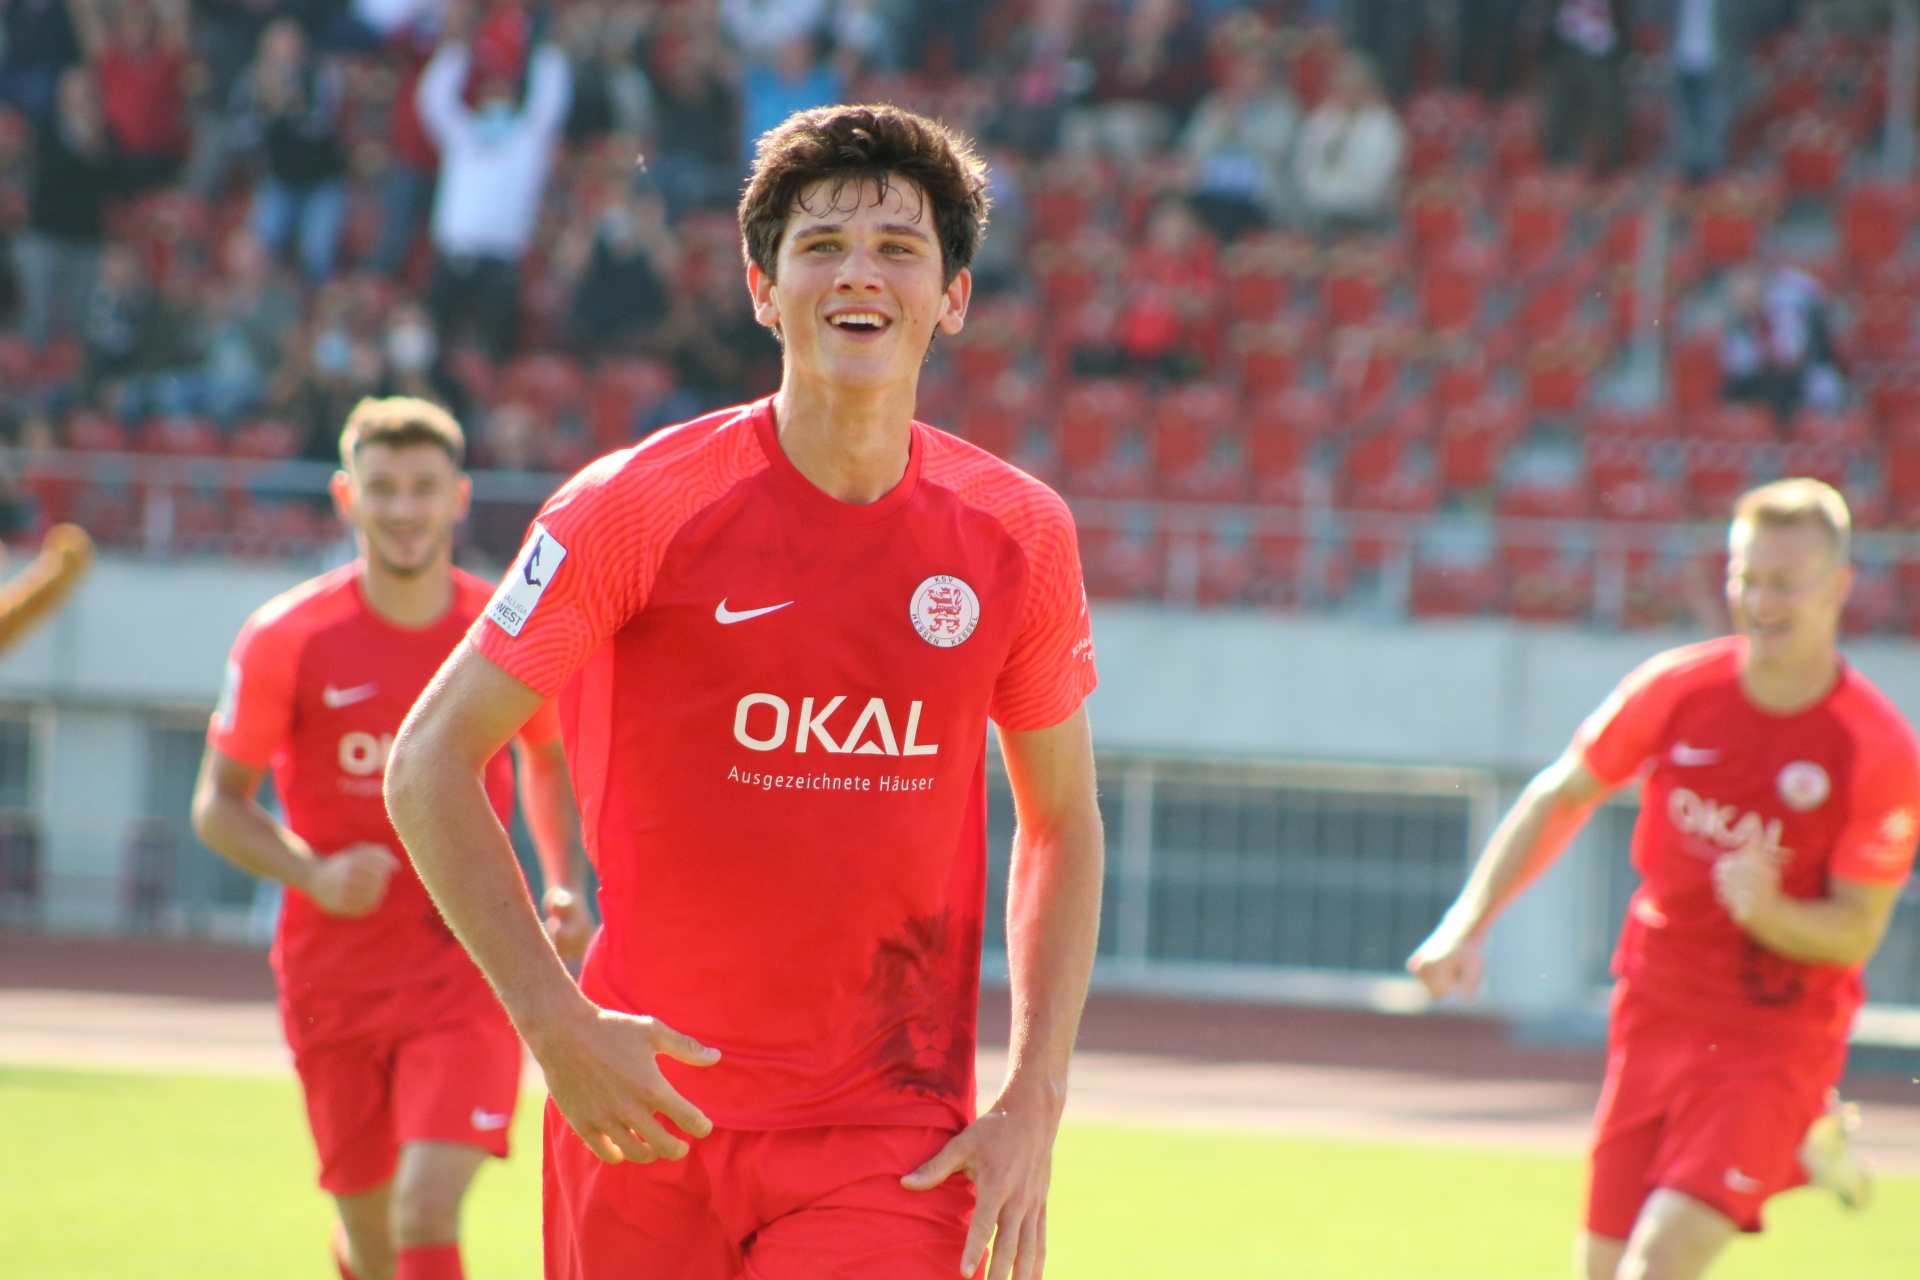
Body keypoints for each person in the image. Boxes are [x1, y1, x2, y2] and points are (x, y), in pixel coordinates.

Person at [384, 104, 1105, 1280]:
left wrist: (1036, 1094)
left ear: (954, 297)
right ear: (763, 289)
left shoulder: (1018, 533)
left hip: (890, 1135)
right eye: (821, 246)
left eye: (898, 247)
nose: (858, 273)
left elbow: (1062, 821)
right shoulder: (632, 506)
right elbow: (427, 761)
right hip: (644, 1109)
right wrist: (554, 1022)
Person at [1409, 478, 1917, 1280]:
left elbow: (1856, 929)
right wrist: (1465, 924)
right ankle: (1803, 1143)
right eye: (1746, 578)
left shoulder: (1875, 749)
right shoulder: (1677, 688)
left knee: (1657, 1268)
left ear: (1838, 587)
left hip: (1772, 1036)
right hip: (1655, 1008)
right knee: (1601, 1271)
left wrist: (1770, 912)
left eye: (1784, 582)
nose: (1760, 600)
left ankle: (1792, 1123)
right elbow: (1561, 794)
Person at [191, 396, 594, 1280]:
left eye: (423, 487)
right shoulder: (286, 637)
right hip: (332, 976)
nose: (404, 508)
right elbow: (218, 804)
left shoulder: (503, 629)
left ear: (459, 497)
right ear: (347, 497)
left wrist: (562, 881)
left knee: (425, 1207)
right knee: (373, 1241)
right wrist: (312, 873)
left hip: (471, 957)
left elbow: (547, 757)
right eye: (383, 488)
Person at [416, 11, 572, 361]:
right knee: (432, 348)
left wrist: (547, 51)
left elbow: (551, 101)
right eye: (490, 91)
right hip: (453, 259)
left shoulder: (527, 139)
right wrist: (456, 51)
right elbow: (434, 101)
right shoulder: (462, 134)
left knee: (501, 356)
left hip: (501, 264)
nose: (496, 97)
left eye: (504, 92)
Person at [12, 65, 116, 352]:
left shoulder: (107, 137)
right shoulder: (46, 132)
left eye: (88, 97)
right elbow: (48, 176)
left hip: (86, 240)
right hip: (46, 237)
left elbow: (116, 182)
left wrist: (95, 148)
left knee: (82, 324)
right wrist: (79, 147)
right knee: (38, 322)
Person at [1292, 54, 1406, 234]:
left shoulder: (1384, 126)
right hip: (1316, 205)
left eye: (1353, 86)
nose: (1347, 92)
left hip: (1363, 209)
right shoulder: (1321, 119)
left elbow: (1376, 179)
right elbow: (1303, 165)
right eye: (1342, 85)